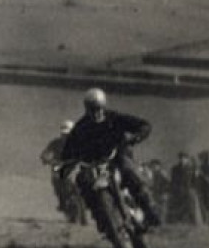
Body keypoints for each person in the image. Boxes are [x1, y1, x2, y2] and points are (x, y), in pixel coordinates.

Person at [59, 87, 160, 227]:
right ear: (87, 109)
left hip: (117, 156)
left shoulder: (114, 118)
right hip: (94, 164)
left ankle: (148, 209)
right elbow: (68, 150)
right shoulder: (81, 127)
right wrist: (67, 162)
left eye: (98, 108)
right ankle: (100, 218)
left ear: (103, 106)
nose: (96, 113)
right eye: (92, 109)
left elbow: (143, 125)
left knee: (128, 170)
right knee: (82, 181)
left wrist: (137, 136)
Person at [40, 120, 84, 223]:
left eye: (68, 134)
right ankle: (62, 202)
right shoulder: (55, 143)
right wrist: (46, 159)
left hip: (74, 169)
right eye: (64, 134)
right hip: (59, 169)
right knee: (56, 184)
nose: (66, 136)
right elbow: (45, 153)